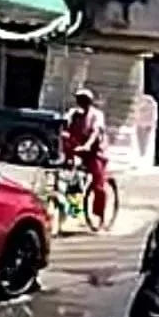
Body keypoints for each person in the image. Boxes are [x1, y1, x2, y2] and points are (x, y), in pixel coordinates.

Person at [63, 88, 108, 226]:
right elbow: (65, 125)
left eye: (84, 100)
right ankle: (73, 211)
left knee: (98, 186)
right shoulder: (73, 113)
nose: (81, 103)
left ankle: (99, 214)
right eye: (79, 99)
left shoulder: (96, 115)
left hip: (95, 152)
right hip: (77, 149)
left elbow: (95, 132)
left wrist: (88, 145)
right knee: (70, 182)